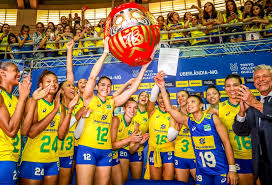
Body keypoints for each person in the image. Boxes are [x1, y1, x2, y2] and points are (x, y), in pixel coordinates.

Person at [76, 37, 150, 185]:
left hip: (106, 151)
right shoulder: (90, 98)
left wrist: (144, 67)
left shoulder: (112, 102)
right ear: (97, 87)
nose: (106, 88)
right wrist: (105, 52)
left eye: (109, 86)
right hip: (87, 148)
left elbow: (133, 89)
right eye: (102, 85)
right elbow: (92, 76)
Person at [155, 72, 238, 185]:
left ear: (201, 106)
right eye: (188, 102)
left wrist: (232, 169)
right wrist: (163, 88)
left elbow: (226, 142)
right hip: (202, 170)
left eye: (193, 101)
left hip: (220, 168)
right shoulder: (189, 122)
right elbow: (169, 109)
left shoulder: (213, 118)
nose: (189, 104)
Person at [19, 69, 78, 185]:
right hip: (34, 159)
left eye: (55, 81)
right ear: (41, 85)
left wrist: (70, 110)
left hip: (52, 160)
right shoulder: (33, 101)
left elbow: (61, 136)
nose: (53, 84)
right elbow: (31, 132)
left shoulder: (60, 107)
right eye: (48, 81)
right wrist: (54, 111)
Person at [233, 64, 272, 185]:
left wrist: (254, 103)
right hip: (261, 164)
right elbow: (240, 131)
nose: (261, 80)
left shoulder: (254, 102)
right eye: (257, 78)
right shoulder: (254, 102)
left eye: (265, 76)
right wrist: (242, 111)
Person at [215, 74, 254, 185]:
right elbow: (196, 119)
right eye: (228, 86)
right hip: (237, 158)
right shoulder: (218, 108)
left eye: (235, 85)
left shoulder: (252, 104)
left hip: (257, 157)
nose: (231, 89)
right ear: (225, 88)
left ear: (242, 86)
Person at [0, 62, 31, 184]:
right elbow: (11, 131)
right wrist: (23, 98)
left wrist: (33, 99)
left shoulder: (15, 99)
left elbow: (24, 131)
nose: (19, 74)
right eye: (15, 70)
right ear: (2, 73)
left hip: (13, 157)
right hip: (2, 157)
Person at [144, 77, 175, 180]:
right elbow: (151, 99)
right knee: (155, 182)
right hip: (154, 150)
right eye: (160, 97)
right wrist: (158, 84)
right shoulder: (152, 111)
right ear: (157, 99)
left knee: (168, 181)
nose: (162, 100)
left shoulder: (174, 112)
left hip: (169, 150)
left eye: (164, 97)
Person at [111, 98, 146, 184]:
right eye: (129, 107)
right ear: (124, 109)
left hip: (123, 151)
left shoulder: (136, 125)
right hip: (109, 152)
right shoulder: (116, 119)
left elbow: (131, 150)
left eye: (135, 108)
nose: (132, 110)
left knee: (122, 181)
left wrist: (139, 144)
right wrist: (130, 139)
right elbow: (112, 146)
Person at [167, 90, 196, 183]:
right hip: (180, 156)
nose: (180, 98)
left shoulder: (196, 113)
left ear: (189, 98)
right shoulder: (174, 115)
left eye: (183, 96)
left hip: (196, 156)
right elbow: (170, 137)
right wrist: (177, 130)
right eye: (178, 97)